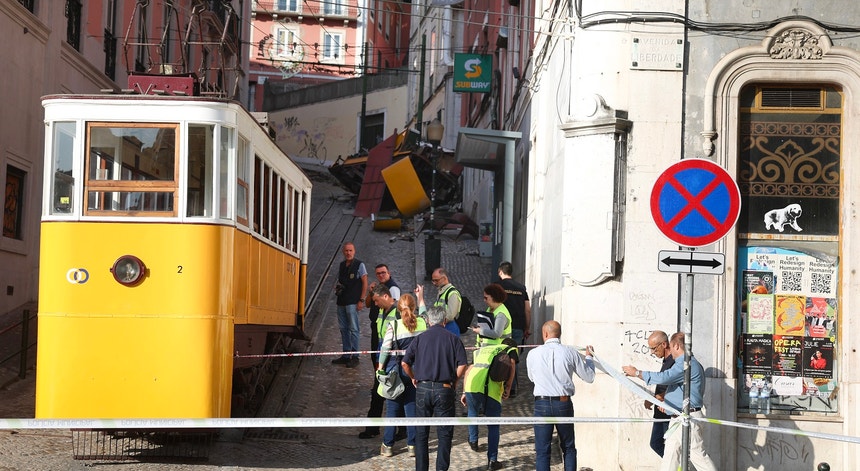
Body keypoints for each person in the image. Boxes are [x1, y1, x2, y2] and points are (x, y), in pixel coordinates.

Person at [622, 332, 718, 471]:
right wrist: (665, 402)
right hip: (678, 418)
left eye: (672, 348)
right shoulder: (684, 364)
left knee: (699, 457)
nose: (670, 352)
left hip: (687, 418)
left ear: (677, 346)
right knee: (670, 457)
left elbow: (664, 377)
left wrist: (637, 373)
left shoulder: (687, 365)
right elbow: (677, 389)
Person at [401, 306, 468, 471]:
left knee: (421, 434)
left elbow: (404, 363)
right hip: (444, 389)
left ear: (429, 321)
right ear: (444, 321)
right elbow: (463, 365)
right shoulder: (453, 339)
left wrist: (413, 377)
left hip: (422, 389)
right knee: (444, 434)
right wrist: (455, 380)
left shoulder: (419, 339)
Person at [527, 320, 594, 471]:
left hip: (541, 404)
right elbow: (589, 377)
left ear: (545, 334)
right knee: (568, 447)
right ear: (560, 334)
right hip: (563, 403)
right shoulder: (570, 352)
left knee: (542, 451)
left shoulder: (533, 354)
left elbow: (532, 378)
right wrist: (589, 358)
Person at [377, 293, 427, 457]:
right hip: (415, 371)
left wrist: (380, 368)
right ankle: (412, 446)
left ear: (399, 310)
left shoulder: (394, 325)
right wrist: (421, 298)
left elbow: (385, 349)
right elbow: (426, 315)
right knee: (411, 407)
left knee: (392, 409)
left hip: (396, 371)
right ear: (413, 308)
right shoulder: (422, 323)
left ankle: (388, 445)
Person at [460, 338, 517, 470]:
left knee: (472, 412)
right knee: (493, 426)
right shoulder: (510, 349)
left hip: (472, 386)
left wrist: (464, 391)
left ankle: (473, 441)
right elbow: (512, 364)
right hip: (492, 390)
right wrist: (508, 387)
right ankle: (492, 460)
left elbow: (468, 370)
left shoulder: (481, 350)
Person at [358, 266, 401, 440]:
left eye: (377, 301)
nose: (375, 304)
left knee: (386, 393)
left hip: (391, 360)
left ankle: (379, 429)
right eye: (378, 273)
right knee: (382, 392)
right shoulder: (382, 310)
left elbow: (391, 341)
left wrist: (381, 363)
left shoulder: (395, 309)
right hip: (382, 355)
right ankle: (378, 428)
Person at [333, 242, 367, 368]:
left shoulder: (359, 265)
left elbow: (364, 282)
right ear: (343, 252)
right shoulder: (342, 265)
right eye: (346, 250)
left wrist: (361, 300)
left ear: (354, 251)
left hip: (353, 302)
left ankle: (355, 355)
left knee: (354, 329)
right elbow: (341, 281)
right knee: (343, 329)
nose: (348, 253)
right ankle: (346, 354)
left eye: (350, 250)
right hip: (341, 301)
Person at [644, 330, 675, 457]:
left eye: (654, 348)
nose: (652, 352)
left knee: (669, 447)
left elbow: (676, 386)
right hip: (660, 411)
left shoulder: (674, 362)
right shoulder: (666, 361)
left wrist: (660, 397)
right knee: (656, 443)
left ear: (664, 344)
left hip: (667, 411)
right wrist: (653, 398)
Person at [496, 261, 531, 346]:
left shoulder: (497, 286)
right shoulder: (521, 288)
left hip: (501, 326)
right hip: (518, 326)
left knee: (501, 354)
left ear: (500, 272)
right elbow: (527, 310)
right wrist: (527, 328)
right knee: (514, 354)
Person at [431, 268, 463, 336]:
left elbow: (450, 315)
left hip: (449, 328)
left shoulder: (453, 294)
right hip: (442, 327)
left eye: (436, 280)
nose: (434, 283)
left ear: (444, 278)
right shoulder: (442, 292)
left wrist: (436, 323)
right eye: (433, 280)